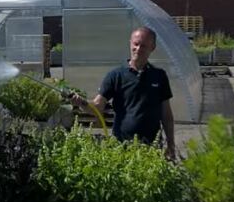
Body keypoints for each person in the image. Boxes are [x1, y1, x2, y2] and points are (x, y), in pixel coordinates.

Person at [71, 26, 177, 160]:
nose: (138, 49)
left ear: (152, 47)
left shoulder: (159, 76)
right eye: (136, 44)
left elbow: (166, 114)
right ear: (130, 43)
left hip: (152, 147)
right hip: (122, 146)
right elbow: (97, 106)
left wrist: (171, 144)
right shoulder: (116, 76)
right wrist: (81, 102)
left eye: (143, 46)